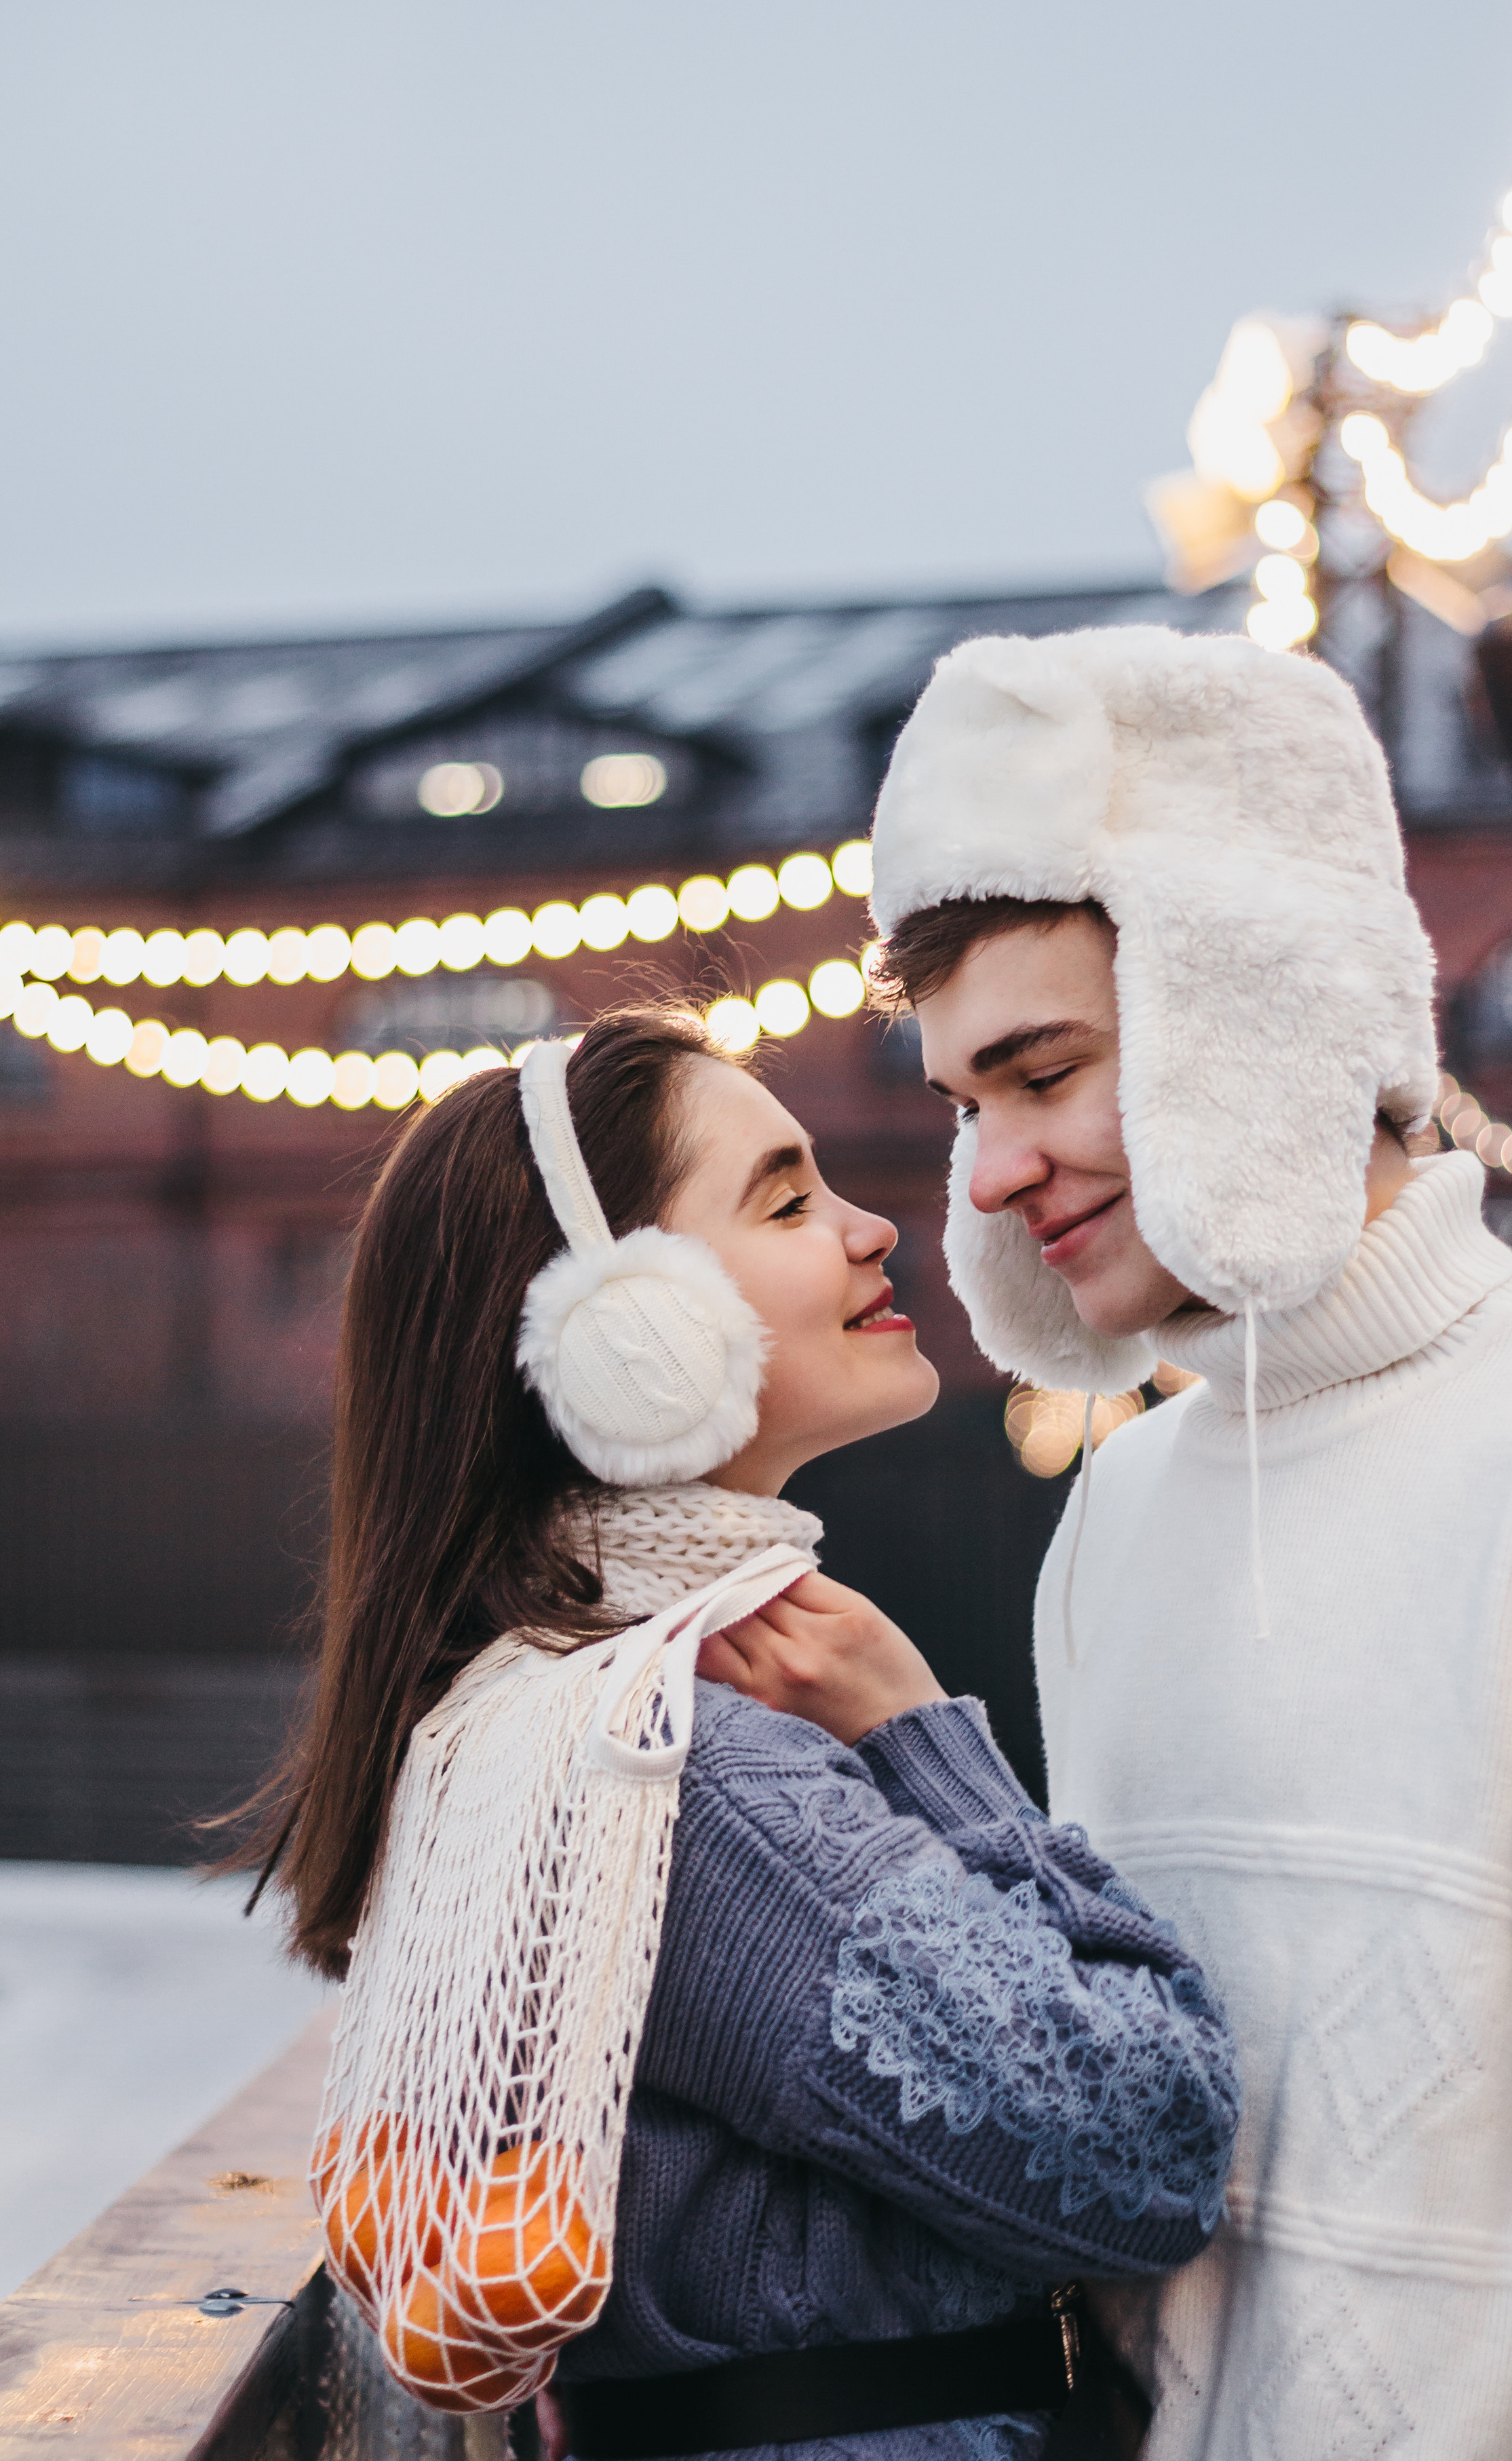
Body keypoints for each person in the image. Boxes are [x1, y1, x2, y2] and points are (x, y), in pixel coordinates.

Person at [870, 622, 1512, 2458]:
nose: (994, 1170)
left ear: (1250, 1014)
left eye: (1041, 1073)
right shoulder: (1117, 1506)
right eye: (965, 1105)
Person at [247, 1006, 1239, 2461]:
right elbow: (1140, 2147)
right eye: (784, 1199)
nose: (871, 1230)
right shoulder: (685, 1783)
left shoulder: (519, 1716)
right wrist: (924, 1744)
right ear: (621, 1335)